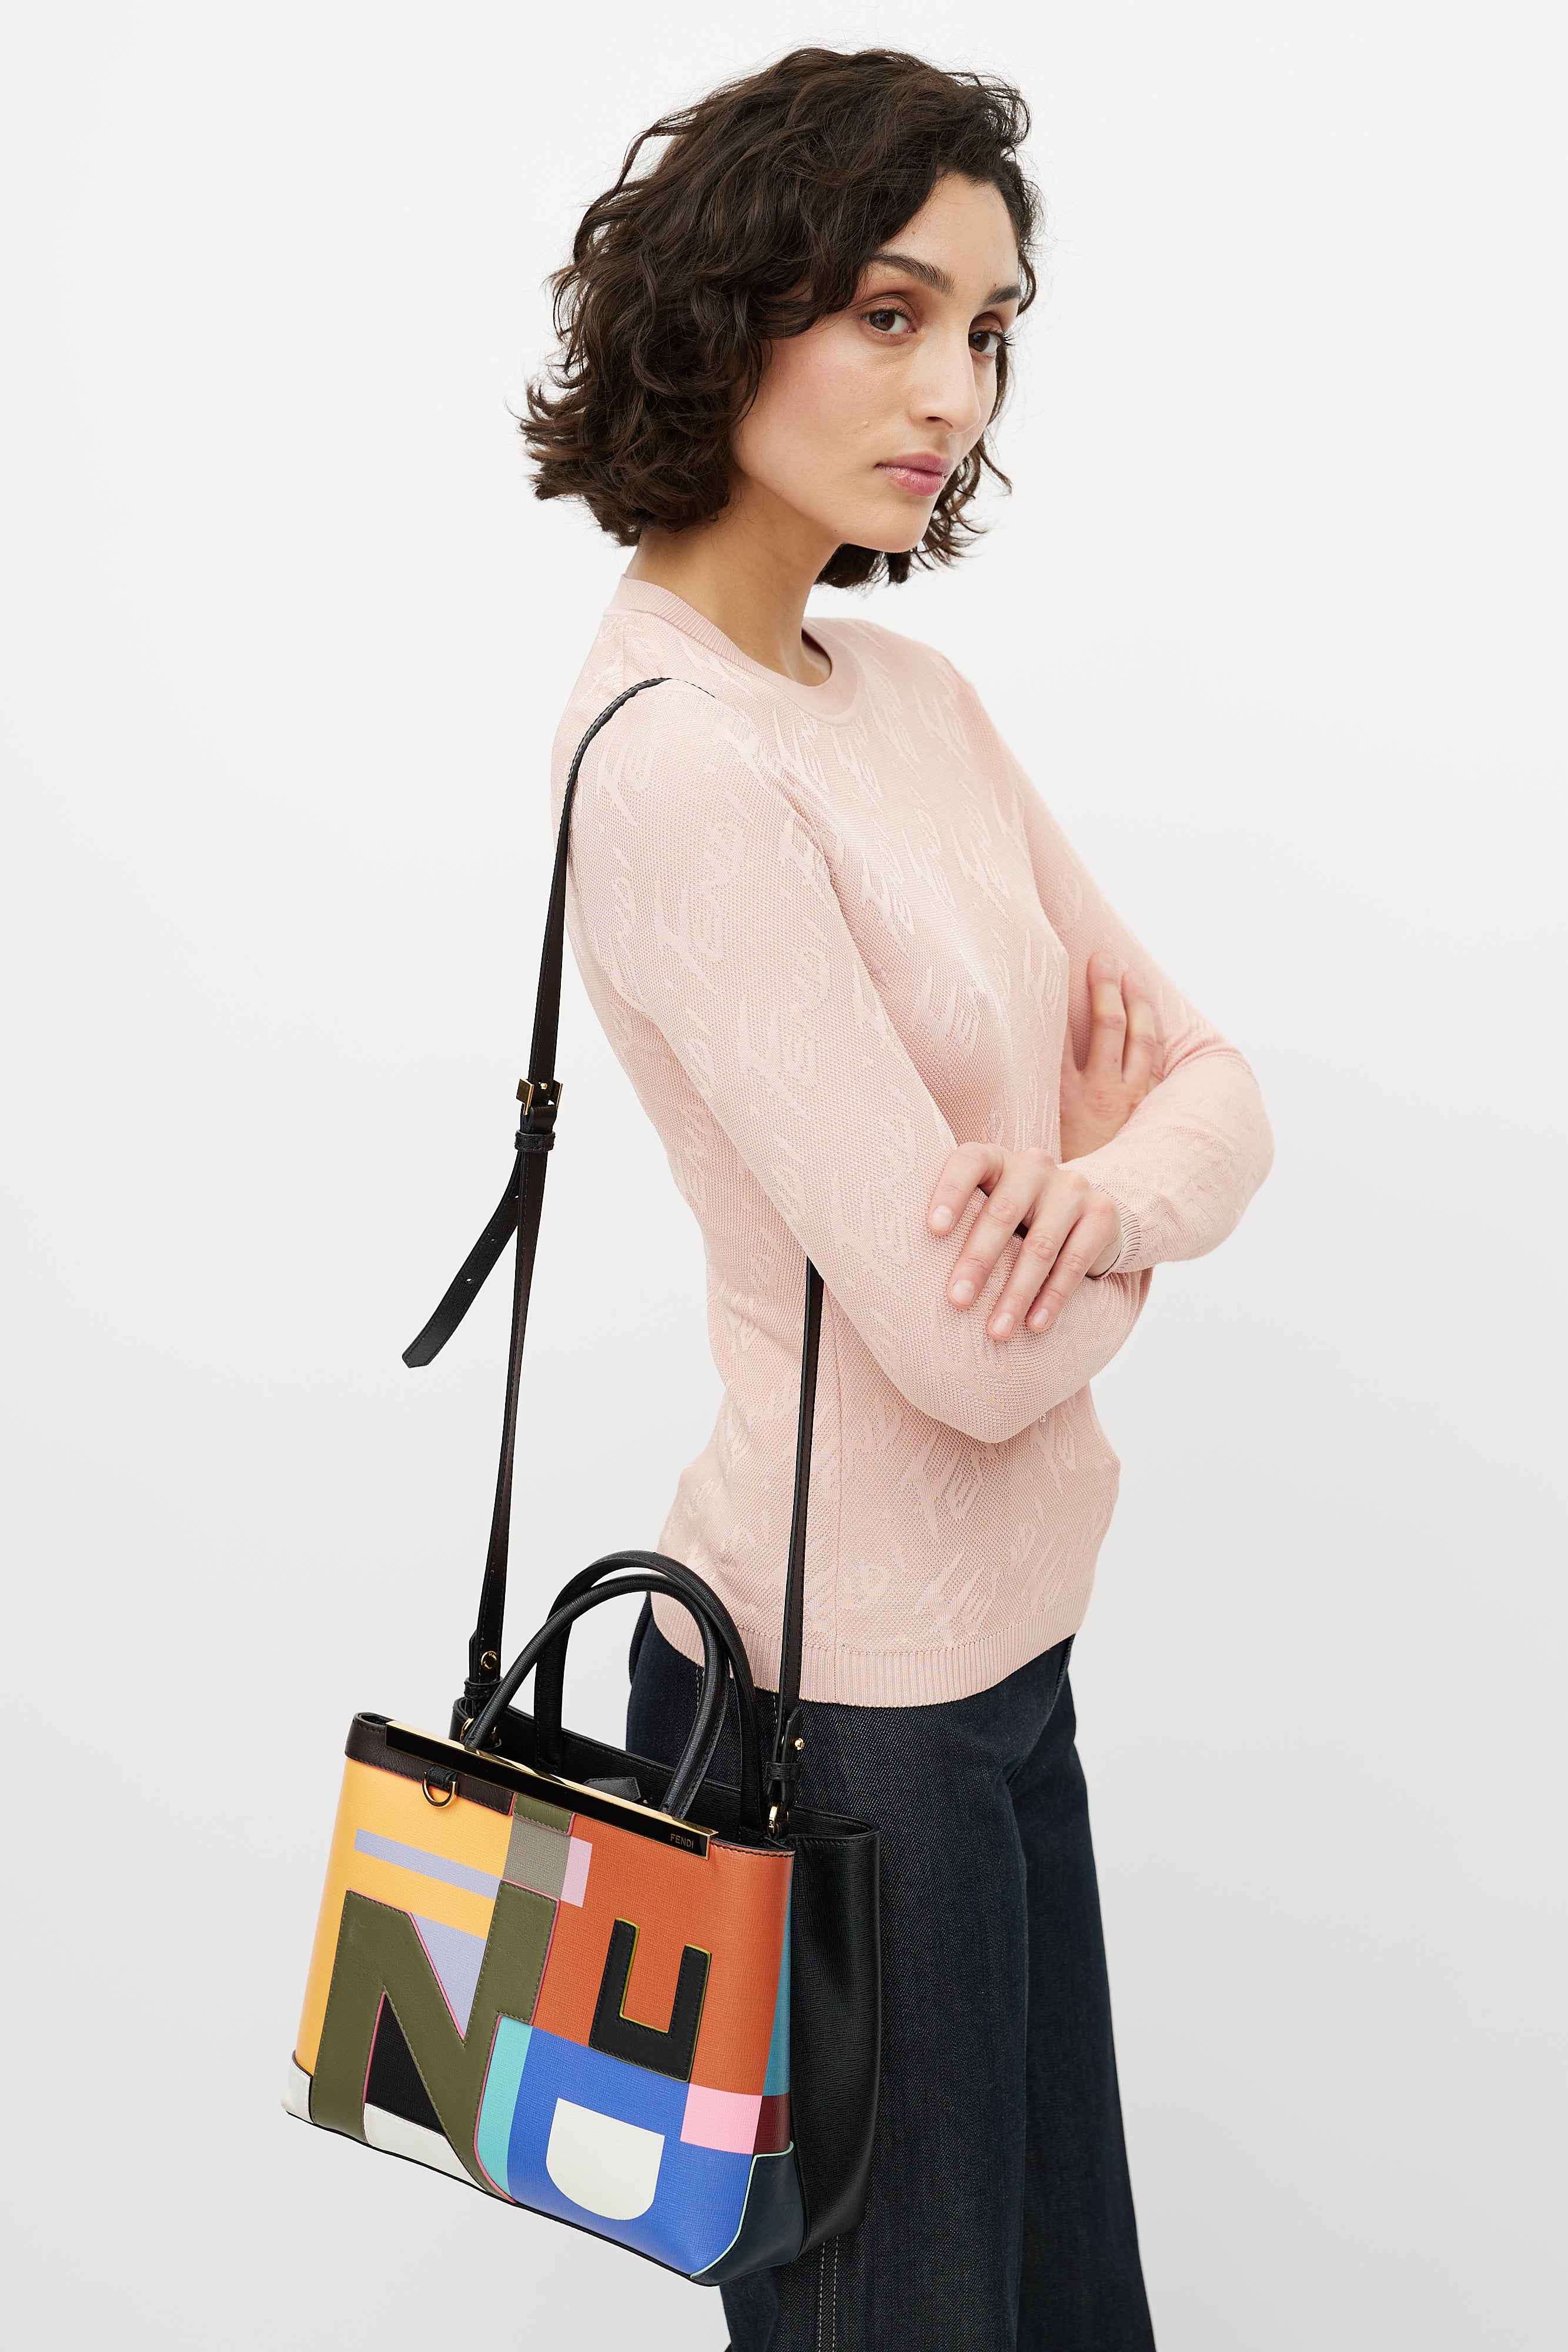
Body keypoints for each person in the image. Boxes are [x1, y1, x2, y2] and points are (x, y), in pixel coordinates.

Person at [526, 46, 1273, 2352]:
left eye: (987, 328)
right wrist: (1121, 1207)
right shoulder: (675, 762)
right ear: (725, 309)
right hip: (826, 1720)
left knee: (1066, 2314)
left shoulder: (914, 700)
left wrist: (1097, 1197)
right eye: (888, 310)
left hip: (1001, 1662)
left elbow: (1220, 1089)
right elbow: (960, 1351)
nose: (953, 388)